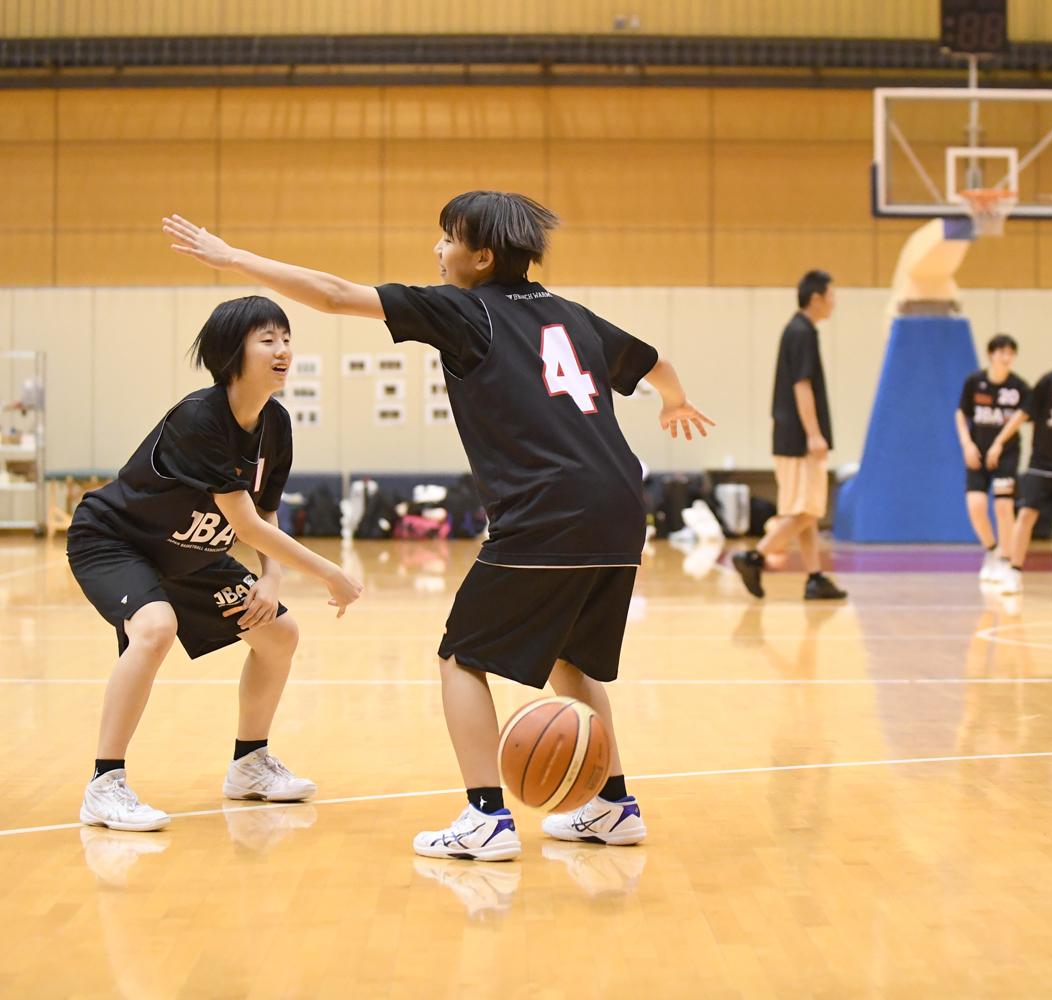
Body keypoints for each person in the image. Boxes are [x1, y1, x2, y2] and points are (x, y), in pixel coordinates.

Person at [163, 190, 712, 860]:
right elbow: (655, 364)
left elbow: (334, 295)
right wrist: (675, 403)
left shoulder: (465, 310)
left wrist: (233, 258)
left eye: (448, 238)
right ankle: (612, 807)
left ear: (482, 258)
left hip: (548, 508)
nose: (438, 249)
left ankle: (486, 818)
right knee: (571, 657)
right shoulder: (572, 316)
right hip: (621, 506)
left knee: (461, 658)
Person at [68, 295, 364, 832]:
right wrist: (330, 573)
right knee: (155, 627)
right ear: (232, 353)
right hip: (116, 540)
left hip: (192, 553)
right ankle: (104, 785)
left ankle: (249, 764)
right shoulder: (200, 418)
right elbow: (246, 525)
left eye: (287, 338)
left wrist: (272, 578)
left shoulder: (275, 423)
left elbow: (265, 508)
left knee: (279, 633)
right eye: (267, 340)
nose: (283, 350)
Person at [732, 269, 846, 601]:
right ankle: (754, 557)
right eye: (831, 295)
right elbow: (802, 384)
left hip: (789, 436)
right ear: (816, 298)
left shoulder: (798, 330)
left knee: (805, 513)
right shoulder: (802, 332)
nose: (834, 302)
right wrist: (814, 434)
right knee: (806, 512)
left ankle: (815, 577)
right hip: (798, 440)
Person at [990, 328, 1052, 595]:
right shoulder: (1049, 382)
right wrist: (1000, 440)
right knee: (1026, 515)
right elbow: (1022, 415)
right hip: (1042, 463)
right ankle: (1014, 573)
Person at [956, 334, 1030, 585]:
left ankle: (1006, 559)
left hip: (1005, 455)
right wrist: (967, 444)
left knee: (1003, 506)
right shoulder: (974, 382)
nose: (1006, 358)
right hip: (977, 453)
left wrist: (999, 443)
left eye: (1011, 353)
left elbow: (1023, 417)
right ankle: (991, 549)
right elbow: (961, 413)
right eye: (1002, 352)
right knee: (975, 505)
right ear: (991, 354)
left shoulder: (1019, 387)